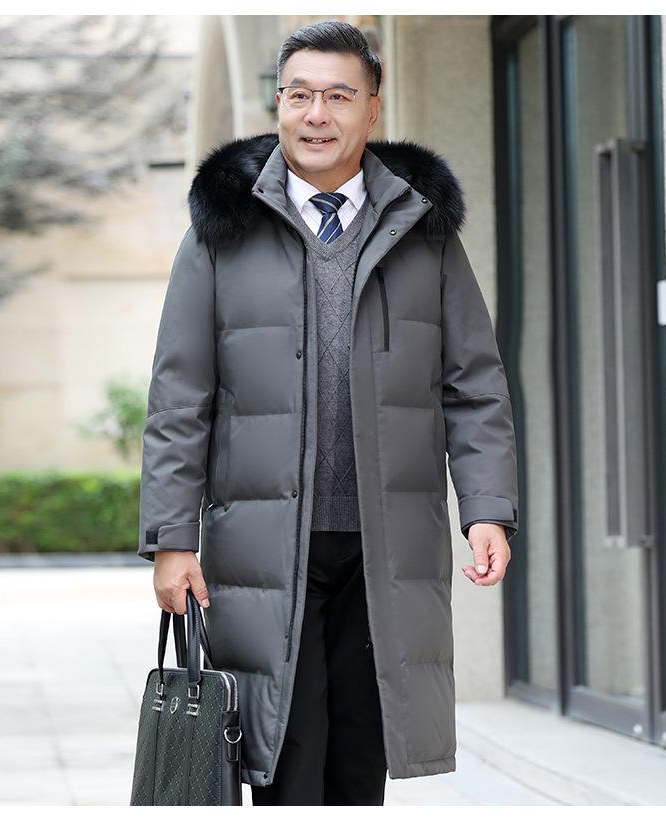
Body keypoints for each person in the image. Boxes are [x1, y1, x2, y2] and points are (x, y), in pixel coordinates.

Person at [137, 20, 519, 806]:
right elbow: (179, 399)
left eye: (339, 96)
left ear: (372, 110)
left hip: (388, 546)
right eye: (300, 95)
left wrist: (487, 509)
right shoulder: (222, 232)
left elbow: (473, 383)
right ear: (278, 104)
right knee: (285, 756)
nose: (317, 114)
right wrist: (172, 540)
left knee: (360, 758)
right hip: (266, 547)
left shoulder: (423, 231)